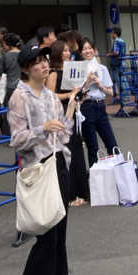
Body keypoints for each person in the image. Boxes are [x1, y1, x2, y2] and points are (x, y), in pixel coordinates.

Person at [8, 43, 77, 275]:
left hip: (58, 165)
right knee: (46, 239)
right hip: (38, 169)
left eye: (44, 60)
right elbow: (17, 139)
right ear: (26, 68)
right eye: (36, 62)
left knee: (59, 237)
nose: (44, 65)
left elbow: (63, 130)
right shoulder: (19, 97)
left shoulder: (50, 96)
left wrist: (70, 113)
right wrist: (42, 130)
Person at [46, 40, 89, 206]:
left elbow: (77, 90)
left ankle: (82, 192)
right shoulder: (53, 73)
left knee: (77, 149)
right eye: (64, 51)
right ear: (57, 53)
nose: (67, 53)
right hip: (62, 110)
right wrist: (69, 95)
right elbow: (50, 95)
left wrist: (80, 94)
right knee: (67, 151)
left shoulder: (72, 70)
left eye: (68, 50)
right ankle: (69, 193)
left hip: (75, 109)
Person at [78, 38, 119, 166]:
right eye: (84, 49)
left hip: (100, 107)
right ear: (80, 52)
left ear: (94, 50)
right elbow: (76, 94)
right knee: (93, 148)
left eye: (90, 48)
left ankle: (118, 175)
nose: (88, 51)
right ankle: (95, 181)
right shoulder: (77, 69)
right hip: (86, 107)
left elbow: (111, 93)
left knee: (112, 145)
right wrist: (88, 82)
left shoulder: (102, 68)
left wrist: (100, 84)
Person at [109, 26, 127, 96]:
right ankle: (126, 96)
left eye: (112, 33)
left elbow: (116, 52)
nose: (111, 35)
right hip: (122, 62)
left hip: (116, 63)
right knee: (123, 80)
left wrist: (109, 54)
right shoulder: (122, 41)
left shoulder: (116, 41)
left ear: (114, 33)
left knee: (118, 80)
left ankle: (123, 97)